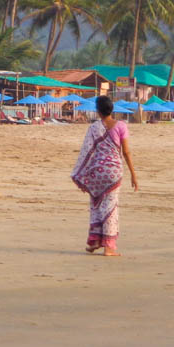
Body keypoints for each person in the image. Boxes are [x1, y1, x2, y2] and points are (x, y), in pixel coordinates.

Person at [71, 95, 138, 257]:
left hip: (97, 172)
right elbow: (126, 152)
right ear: (111, 109)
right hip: (114, 172)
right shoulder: (121, 126)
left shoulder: (94, 128)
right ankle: (108, 246)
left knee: (96, 204)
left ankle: (94, 240)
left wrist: (81, 174)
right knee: (110, 207)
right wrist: (133, 175)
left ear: (98, 111)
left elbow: (87, 151)